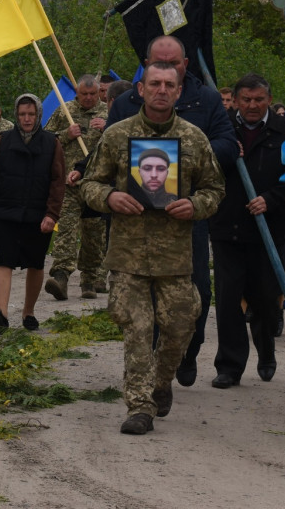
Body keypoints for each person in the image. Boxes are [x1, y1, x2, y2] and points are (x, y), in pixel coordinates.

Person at [81, 62, 225, 435]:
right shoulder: (116, 136)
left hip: (175, 256)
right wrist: (111, 196)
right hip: (128, 254)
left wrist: (195, 205)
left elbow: (215, 189)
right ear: (141, 90)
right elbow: (88, 185)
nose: (161, 90)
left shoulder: (194, 139)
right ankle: (140, 405)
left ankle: (161, 382)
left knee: (180, 325)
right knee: (138, 329)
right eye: (154, 84)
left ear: (179, 92)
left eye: (169, 85)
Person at [106, 35, 238, 387]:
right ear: (145, 69)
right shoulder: (123, 106)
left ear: (184, 69)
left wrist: (186, 162)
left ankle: (180, 358)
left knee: (192, 303)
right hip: (132, 231)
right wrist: (108, 197)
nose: (162, 86)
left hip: (182, 224)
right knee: (136, 317)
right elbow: (102, 165)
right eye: (156, 70)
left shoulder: (206, 100)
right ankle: (144, 388)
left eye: (173, 68)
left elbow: (226, 147)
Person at [208, 73, 285, 388]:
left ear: (268, 99)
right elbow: (205, 169)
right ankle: (229, 366)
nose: (252, 105)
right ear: (235, 101)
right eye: (246, 100)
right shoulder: (221, 129)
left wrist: (272, 200)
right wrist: (224, 151)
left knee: (264, 298)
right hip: (227, 226)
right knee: (228, 298)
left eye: (258, 100)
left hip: (268, 230)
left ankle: (266, 349)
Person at [0, 94, 65, 332]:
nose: (26, 119)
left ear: (39, 115)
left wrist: (52, 214)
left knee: (35, 264)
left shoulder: (51, 143)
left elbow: (58, 183)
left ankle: (28, 312)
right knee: (4, 260)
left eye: (31, 114)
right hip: (6, 212)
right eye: (22, 114)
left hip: (39, 216)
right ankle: (2, 315)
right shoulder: (4, 140)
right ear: (16, 115)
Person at [44, 74, 109, 300]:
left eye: (93, 94)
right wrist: (66, 135)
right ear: (77, 93)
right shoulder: (65, 110)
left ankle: (89, 278)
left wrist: (107, 128)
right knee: (67, 230)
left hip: (97, 184)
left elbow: (124, 139)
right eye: (84, 94)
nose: (89, 98)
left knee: (94, 234)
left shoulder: (108, 113)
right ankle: (61, 276)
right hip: (68, 183)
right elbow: (45, 140)